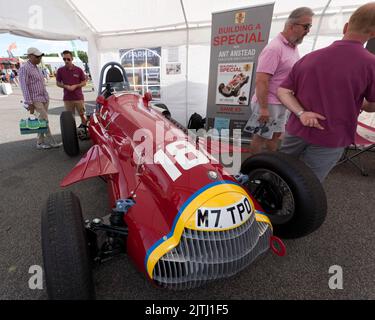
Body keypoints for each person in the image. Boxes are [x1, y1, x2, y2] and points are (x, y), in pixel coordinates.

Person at [277, 2, 375, 182]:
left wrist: (301, 113)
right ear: (373, 33)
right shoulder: (371, 64)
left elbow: (283, 90)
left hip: (296, 129)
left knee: (279, 172)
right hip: (331, 137)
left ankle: (266, 205)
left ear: (346, 27)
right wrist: (353, 99)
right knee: (307, 187)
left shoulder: (309, 57)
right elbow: (371, 106)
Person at [245, 7, 314, 153]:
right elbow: (261, 80)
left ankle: (272, 166)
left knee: (275, 136)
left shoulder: (292, 47)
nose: (308, 30)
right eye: (306, 26)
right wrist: (264, 108)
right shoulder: (274, 48)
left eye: (310, 26)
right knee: (260, 137)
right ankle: (250, 170)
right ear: (291, 26)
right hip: (269, 103)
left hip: (282, 103)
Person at [18, 47, 62, 150]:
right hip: (35, 99)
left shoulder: (36, 67)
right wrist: (29, 103)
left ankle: (40, 142)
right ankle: (51, 141)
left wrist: (46, 96)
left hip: (44, 98)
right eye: (37, 56)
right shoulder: (24, 68)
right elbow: (24, 87)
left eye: (40, 56)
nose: (39, 58)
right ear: (29, 56)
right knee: (44, 120)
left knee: (42, 121)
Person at [56, 50, 87, 130]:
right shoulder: (60, 70)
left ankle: (84, 129)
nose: (66, 61)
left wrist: (76, 85)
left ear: (72, 59)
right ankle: (72, 132)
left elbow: (84, 82)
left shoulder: (79, 70)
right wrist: (66, 86)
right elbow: (58, 83)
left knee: (82, 114)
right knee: (70, 117)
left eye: (68, 59)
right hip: (67, 99)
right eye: (64, 59)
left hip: (78, 98)